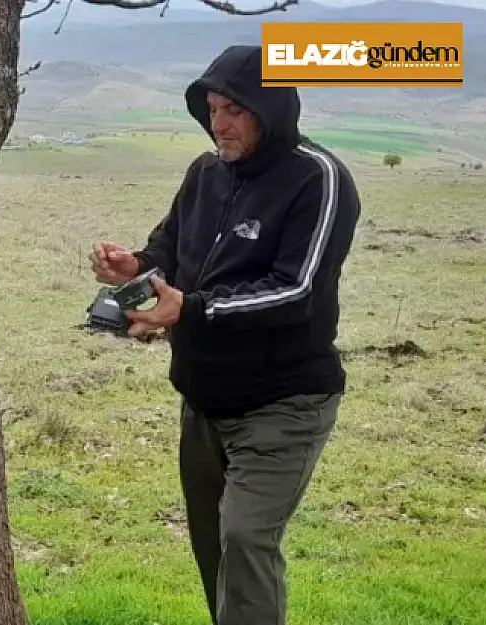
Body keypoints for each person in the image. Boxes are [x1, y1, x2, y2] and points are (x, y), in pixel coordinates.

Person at [90, 44, 360, 625]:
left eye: (233, 110)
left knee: (244, 539)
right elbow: (170, 248)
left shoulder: (318, 179)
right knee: (213, 548)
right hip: (204, 403)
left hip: (283, 402)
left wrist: (190, 309)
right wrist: (135, 268)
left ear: (270, 109)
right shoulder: (205, 171)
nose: (218, 124)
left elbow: (296, 290)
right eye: (211, 108)